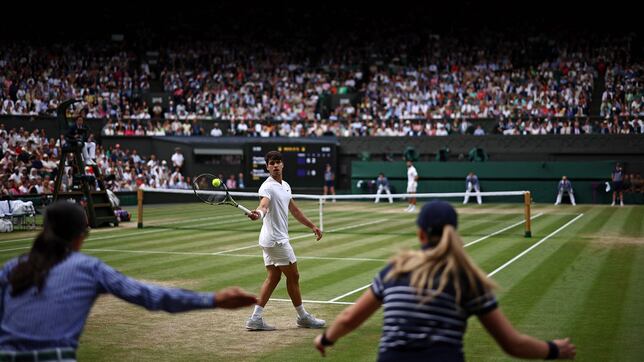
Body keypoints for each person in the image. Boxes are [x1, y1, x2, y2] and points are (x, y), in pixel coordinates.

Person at [314, 201, 576, 361]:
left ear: (420, 233)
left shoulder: (394, 270)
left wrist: (326, 339)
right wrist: (553, 349)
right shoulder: (467, 279)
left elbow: (350, 318)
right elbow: (512, 344)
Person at [0, 202, 257, 359]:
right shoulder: (88, 268)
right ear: (80, 236)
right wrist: (213, 299)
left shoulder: (12, 267)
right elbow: (151, 297)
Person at [245, 151, 325, 331]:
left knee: (274, 277)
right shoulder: (267, 187)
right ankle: (303, 317)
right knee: (294, 276)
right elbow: (263, 205)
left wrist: (312, 226)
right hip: (276, 240)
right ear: (267, 167)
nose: (275, 165)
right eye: (271, 163)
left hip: (268, 240)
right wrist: (258, 213)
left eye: (278, 162)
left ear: (282, 165)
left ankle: (255, 319)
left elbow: (294, 210)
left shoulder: (286, 186)